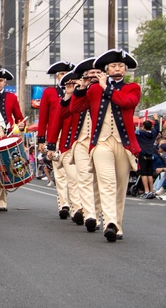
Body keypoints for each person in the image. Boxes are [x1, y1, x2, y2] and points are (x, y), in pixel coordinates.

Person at [69, 50, 141, 242]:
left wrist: (107, 88)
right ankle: (109, 223)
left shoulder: (133, 87)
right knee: (107, 183)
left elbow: (126, 103)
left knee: (119, 187)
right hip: (101, 143)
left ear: (125, 69)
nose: (117, 68)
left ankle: (117, 224)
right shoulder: (94, 89)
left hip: (124, 144)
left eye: (120, 66)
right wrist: (81, 89)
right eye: (113, 66)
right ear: (106, 69)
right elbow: (74, 109)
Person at [62, 57, 103, 231]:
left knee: (99, 181)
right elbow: (65, 113)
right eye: (90, 73)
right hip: (80, 141)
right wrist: (72, 93)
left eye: (96, 73)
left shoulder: (106, 91)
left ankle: (98, 212)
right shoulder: (80, 91)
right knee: (84, 179)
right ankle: (90, 215)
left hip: (101, 142)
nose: (93, 76)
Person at [0, 67, 23, 213]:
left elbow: (19, 117)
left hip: (5, 134)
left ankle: (1, 200)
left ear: (5, 82)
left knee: (3, 168)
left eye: (1, 81)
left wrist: (20, 125)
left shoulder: (11, 98)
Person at [47, 71, 82, 215]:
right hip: (66, 143)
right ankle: (70, 206)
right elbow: (54, 121)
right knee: (68, 177)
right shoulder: (56, 97)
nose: (72, 85)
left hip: (86, 143)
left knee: (83, 179)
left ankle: (84, 209)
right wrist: (48, 143)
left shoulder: (88, 97)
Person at [136, 120, 159, 199]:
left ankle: (146, 191)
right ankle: (151, 191)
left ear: (144, 126)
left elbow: (134, 131)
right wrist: (156, 120)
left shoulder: (141, 134)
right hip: (150, 154)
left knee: (144, 174)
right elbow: (157, 128)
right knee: (150, 174)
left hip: (143, 155)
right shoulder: (153, 134)